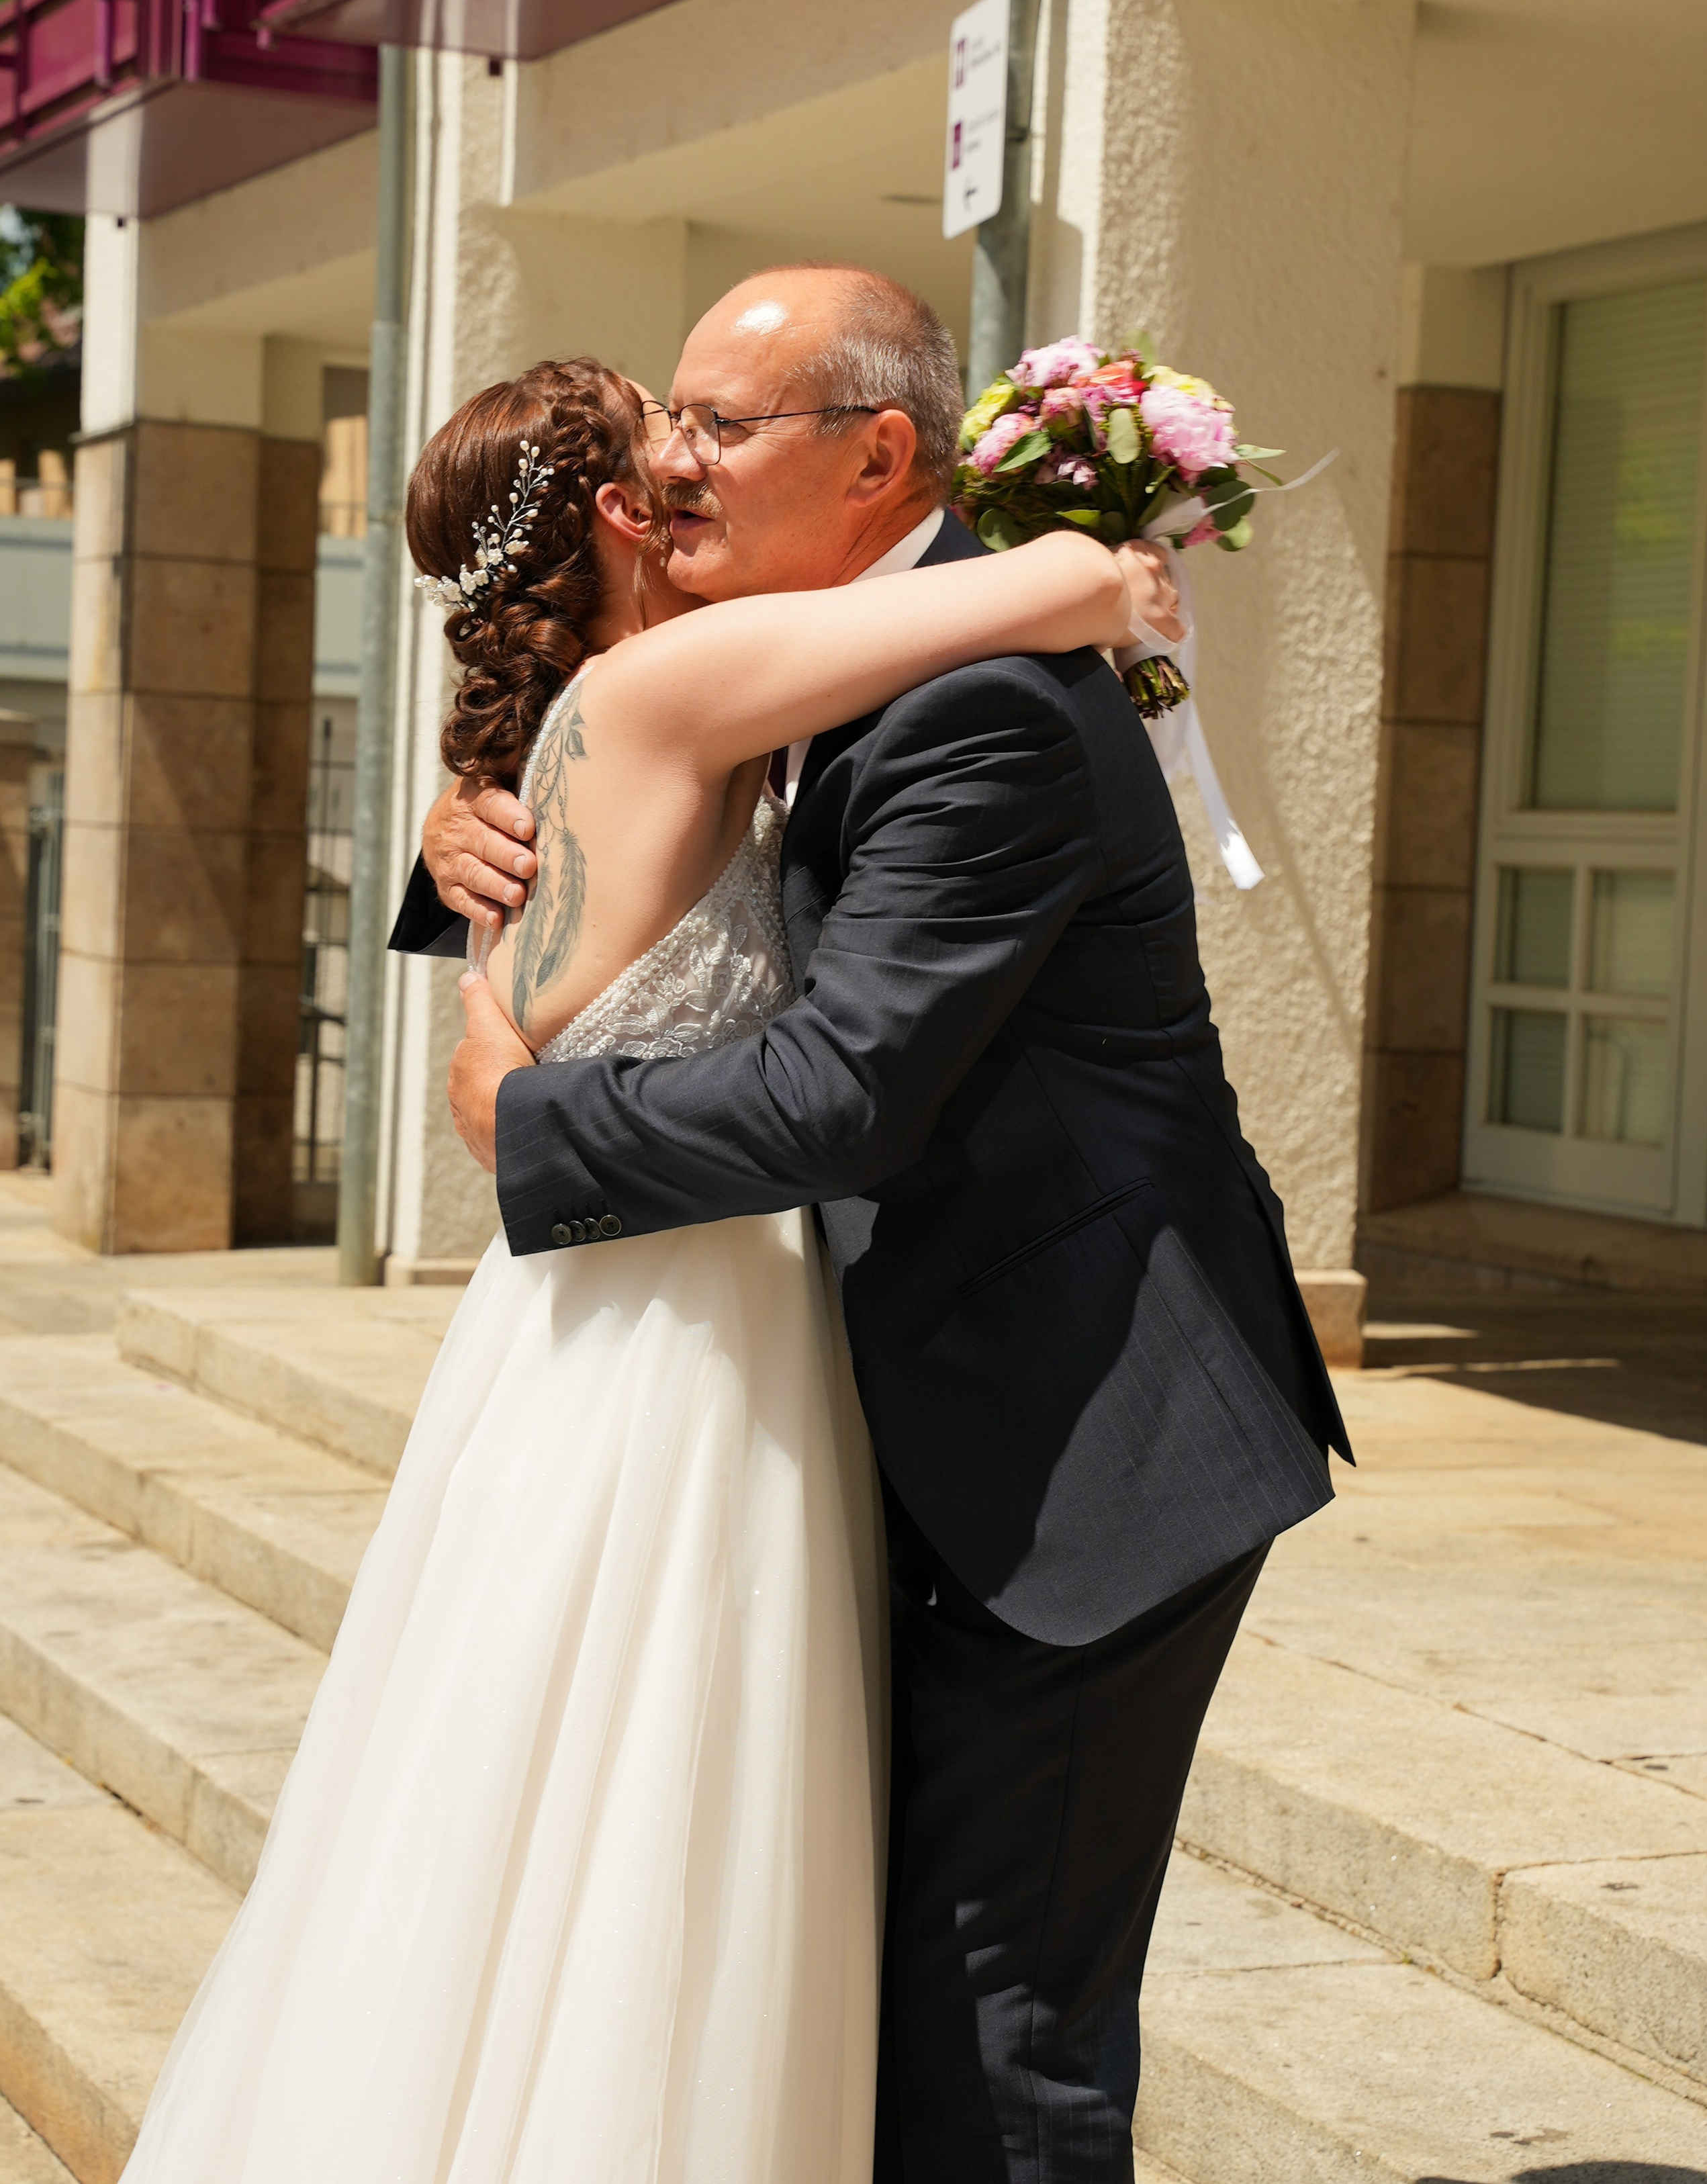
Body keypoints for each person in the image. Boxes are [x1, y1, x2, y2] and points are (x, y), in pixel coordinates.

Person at [116, 347, 1166, 2184]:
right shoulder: (681, 680)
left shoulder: (586, 722)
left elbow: (568, 959)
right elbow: (1062, 587)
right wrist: (1114, 554)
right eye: (674, 441)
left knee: (530, 1776)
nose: (696, 463)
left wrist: (457, 861)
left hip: (583, 1310)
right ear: (621, 509)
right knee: (667, 1775)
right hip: (689, 1312)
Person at [425, 265, 1352, 2184]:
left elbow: (844, 1092)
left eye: (720, 424)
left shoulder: (976, 706)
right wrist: (470, 841)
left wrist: (526, 1121)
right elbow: (639, 823)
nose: (676, 463)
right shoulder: (808, 657)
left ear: (876, 461)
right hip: (889, 1400)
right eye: (668, 423)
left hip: (1081, 1430)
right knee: (886, 1986)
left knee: (999, 2032)